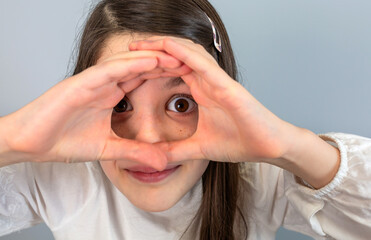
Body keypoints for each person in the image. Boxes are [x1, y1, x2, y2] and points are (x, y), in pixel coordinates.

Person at [0, 0, 370, 239]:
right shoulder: (55, 175)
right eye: (119, 105)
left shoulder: (260, 178)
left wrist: (290, 147)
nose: (148, 143)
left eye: (180, 103)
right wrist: (12, 138)